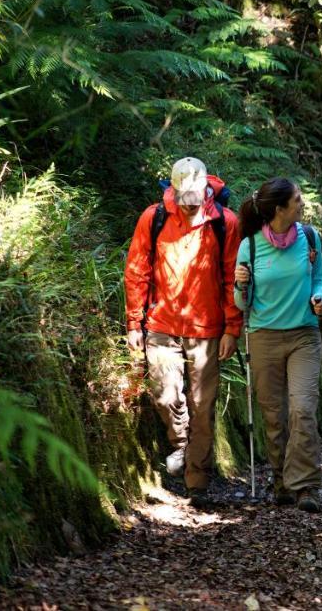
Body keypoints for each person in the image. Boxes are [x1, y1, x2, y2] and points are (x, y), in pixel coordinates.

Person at [124, 157, 240, 506]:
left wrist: (232, 328)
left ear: (205, 190)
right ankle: (180, 444)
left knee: (203, 406)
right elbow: (136, 269)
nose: (190, 205)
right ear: (173, 191)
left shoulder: (225, 222)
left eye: (195, 198)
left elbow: (232, 277)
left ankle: (197, 482)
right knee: (165, 396)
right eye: (184, 197)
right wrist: (134, 322)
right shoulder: (154, 217)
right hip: (161, 324)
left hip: (208, 330)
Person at [234, 177, 322, 514]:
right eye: (297, 200)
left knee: (302, 408)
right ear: (279, 209)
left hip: (304, 334)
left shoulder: (310, 237)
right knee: (275, 417)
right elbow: (241, 304)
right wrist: (239, 284)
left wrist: (319, 298)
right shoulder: (251, 246)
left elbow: (318, 278)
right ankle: (281, 480)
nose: (302, 204)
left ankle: (305, 486)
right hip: (264, 337)